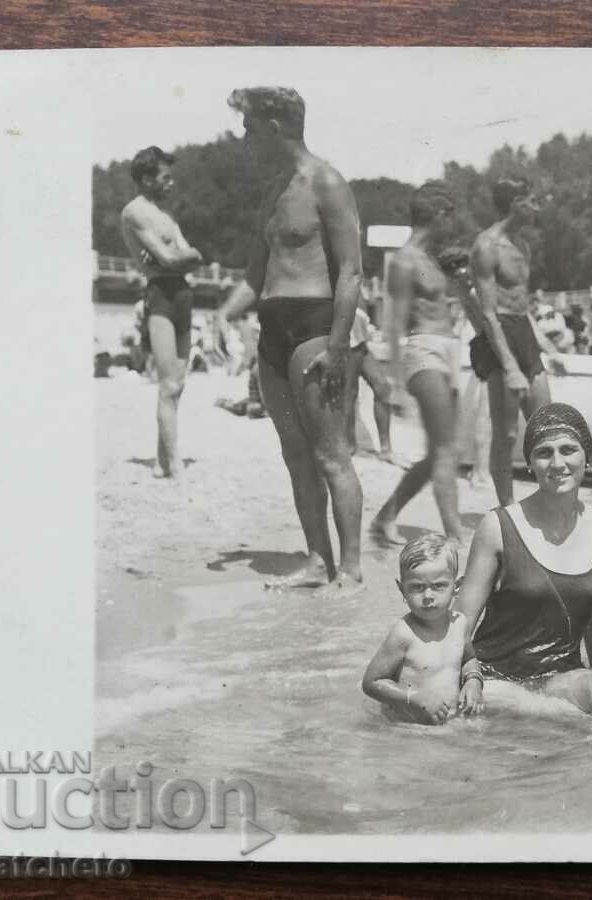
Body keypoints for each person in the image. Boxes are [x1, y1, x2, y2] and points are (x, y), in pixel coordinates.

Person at [216, 87, 366, 598]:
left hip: (314, 325)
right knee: (295, 456)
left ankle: (351, 570)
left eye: (249, 126)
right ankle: (317, 560)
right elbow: (256, 272)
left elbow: (351, 269)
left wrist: (340, 345)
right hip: (272, 330)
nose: (244, 136)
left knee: (330, 456)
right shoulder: (272, 190)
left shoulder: (325, 181)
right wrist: (223, 313)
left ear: (274, 126)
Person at [455, 403, 592, 729]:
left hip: (560, 679)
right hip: (497, 680)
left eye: (569, 450)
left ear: (588, 457)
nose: (557, 463)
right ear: (530, 463)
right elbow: (458, 626)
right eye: (544, 453)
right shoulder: (498, 527)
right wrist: (470, 678)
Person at [371, 183, 468, 545]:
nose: (453, 226)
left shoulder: (432, 258)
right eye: (450, 217)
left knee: (442, 451)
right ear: (438, 215)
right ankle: (456, 535)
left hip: (447, 349)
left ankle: (385, 518)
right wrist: (395, 384)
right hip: (423, 351)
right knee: (445, 450)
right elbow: (393, 322)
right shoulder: (405, 260)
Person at [120, 145, 205, 479]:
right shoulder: (135, 212)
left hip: (182, 294)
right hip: (161, 295)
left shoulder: (166, 216)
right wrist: (187, 256)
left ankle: (159, 462)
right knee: (168, 385)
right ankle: (174, 464)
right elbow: (173, 259)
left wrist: (186, 256)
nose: (172, 184)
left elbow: (188, 255)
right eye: (165, 178)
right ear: (146, 179)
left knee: (178, 385)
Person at [467, 175, 552, 506]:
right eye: (531, 200)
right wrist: (511, 368)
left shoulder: (523, 245)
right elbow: (488, 313)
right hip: (498, 335)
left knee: (547, 425)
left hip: (523, 332)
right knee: (506, 434)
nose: (536, 206)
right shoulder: (486, 246)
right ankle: (505, 509)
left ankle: (548, 501)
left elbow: (522, 304)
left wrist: (544, 345)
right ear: (516, 203)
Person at [361, 534, 484, 725]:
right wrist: (415, 697)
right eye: (417, 587)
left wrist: (473, 681)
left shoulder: (459, 624)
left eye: (439, 586)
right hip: (409, 730)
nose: (428, 596)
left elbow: (469, 659)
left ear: (457, 586)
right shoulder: (404, 634)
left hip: (450, 723)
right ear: (402, 589)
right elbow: (371, 683)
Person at [344, 306, 394, 462]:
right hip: (347, 341)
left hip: (360, 342)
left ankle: (386, 448)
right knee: (350, 393)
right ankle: (350, 446)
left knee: (383, 388)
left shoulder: (364, 286)